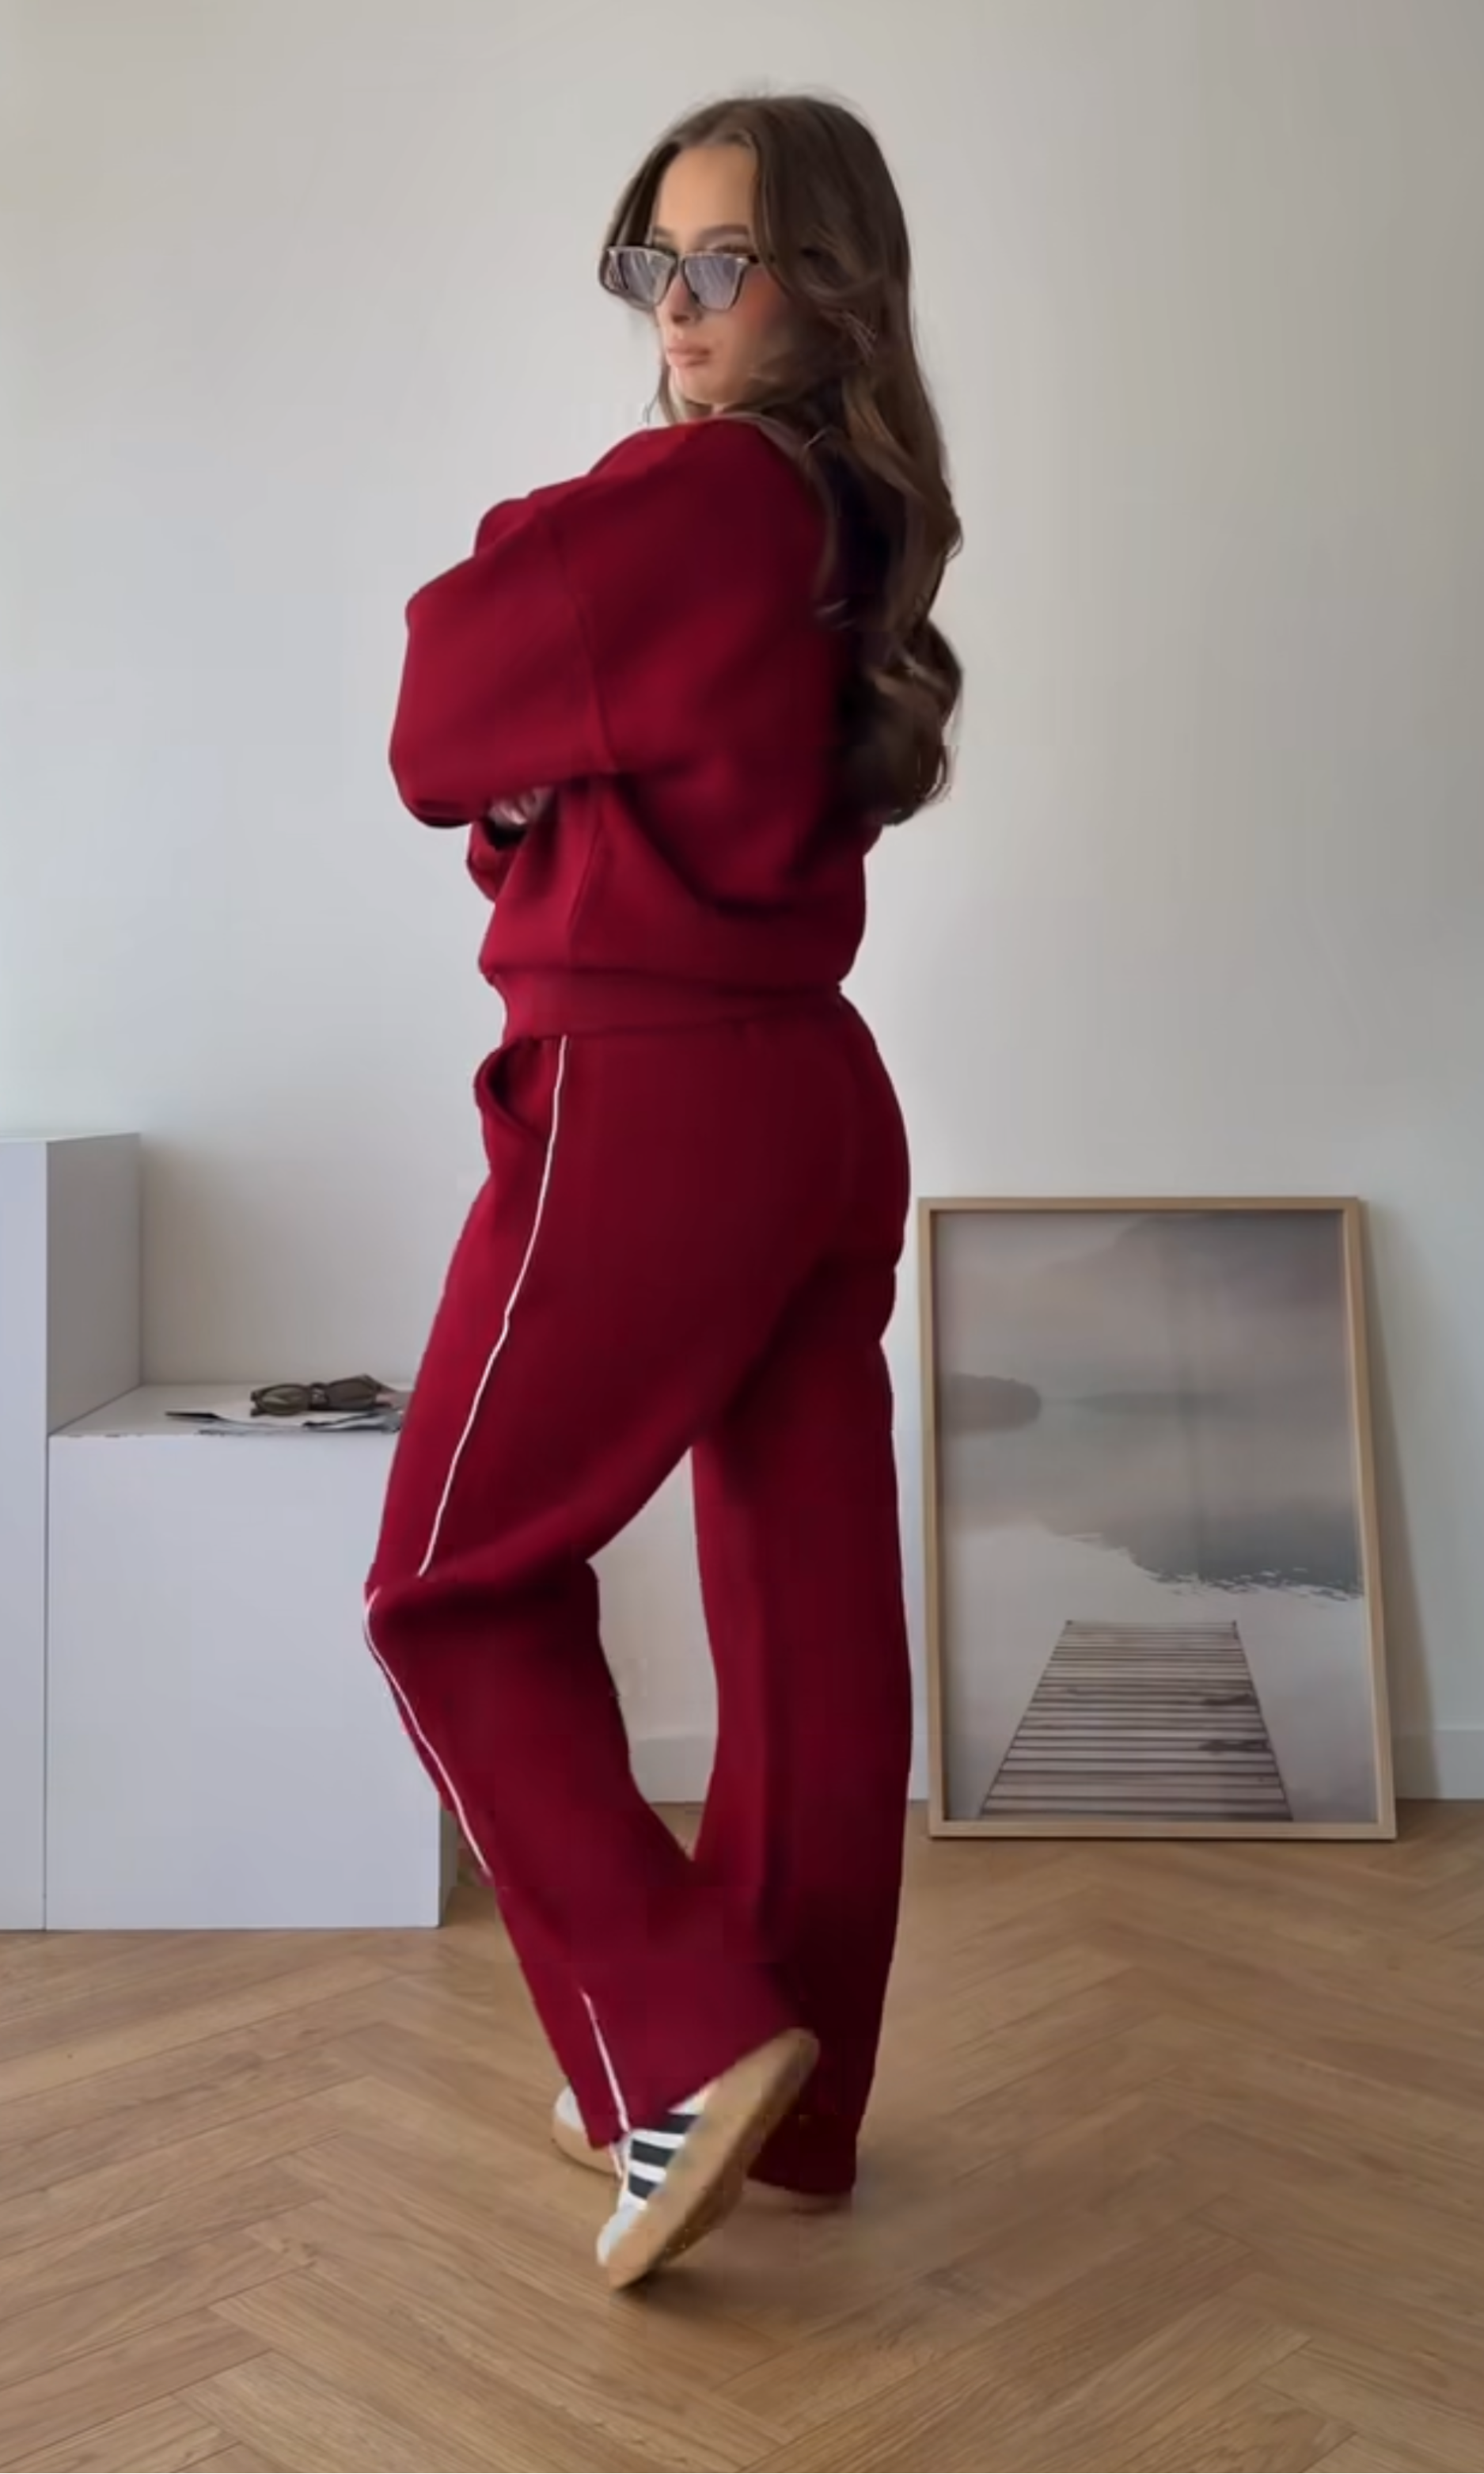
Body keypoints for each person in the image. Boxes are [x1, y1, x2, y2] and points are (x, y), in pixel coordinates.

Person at [366, 92, 962, 2293]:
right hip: (814, 1091)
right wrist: (555, 767)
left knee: (446, 1584)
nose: (680, 312)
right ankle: (785, 2099)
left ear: (831, 288)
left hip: (648, 1089)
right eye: (653, 266)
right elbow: (528, 757)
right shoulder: (847, 526)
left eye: (725, 264)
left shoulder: (695, 494)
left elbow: (440, 699)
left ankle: (681, 2040)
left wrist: (539, 724)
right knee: (801, 1607)